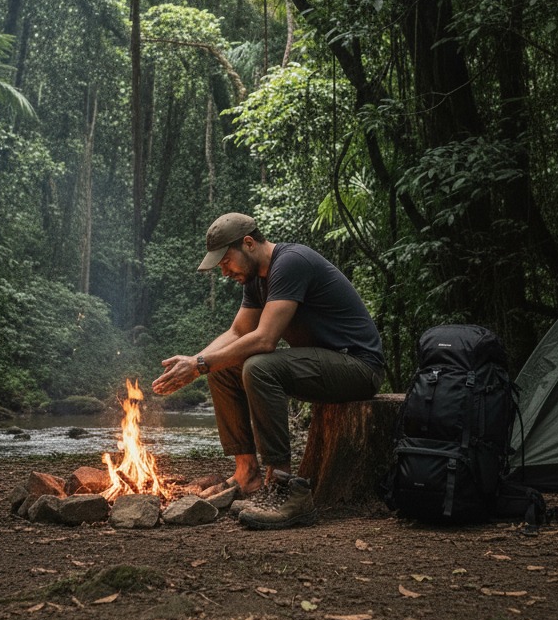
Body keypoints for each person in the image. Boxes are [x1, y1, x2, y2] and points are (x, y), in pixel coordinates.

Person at [152, 212, 385, 530]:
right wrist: (194, 363)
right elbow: (237, 333)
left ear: (248, 243)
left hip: (358, 367)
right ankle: (246, 475)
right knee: (222, 369)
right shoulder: (256, 280)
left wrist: (200, 364)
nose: (224, 271)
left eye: (225, 261)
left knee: (258, 367)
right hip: (320, 364)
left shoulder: (290, 263)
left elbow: (263, 340)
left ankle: (285, 490)